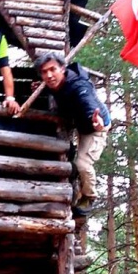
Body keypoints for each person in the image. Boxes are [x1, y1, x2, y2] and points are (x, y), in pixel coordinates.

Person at [36, 52, 112, 216]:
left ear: (62, 69)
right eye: (44, 72)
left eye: (53, 69)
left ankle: (89, 197)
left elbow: (88, 103)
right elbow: (59, 93)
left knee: (83, 164)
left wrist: (97, 122)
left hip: (95, 127)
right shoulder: (55, 84)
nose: (49, 75)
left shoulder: (79, 87)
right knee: (74, 159)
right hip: (81, 124)